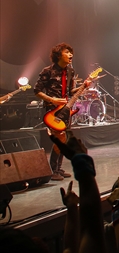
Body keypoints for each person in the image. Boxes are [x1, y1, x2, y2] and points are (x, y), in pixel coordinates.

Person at [34, 43, 90, 181]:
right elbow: (37, 91)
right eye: (67, 52)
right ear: (59, 55)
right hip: (52, 111)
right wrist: (52, 99)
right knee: (59, 138)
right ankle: (53, 169)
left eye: (71, 52)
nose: (71, 55)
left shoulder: (70, 71)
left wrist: (84, 86)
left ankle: (58, 168)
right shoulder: (48, 71)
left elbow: (70, 91)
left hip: (66, 109)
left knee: (64, 140)